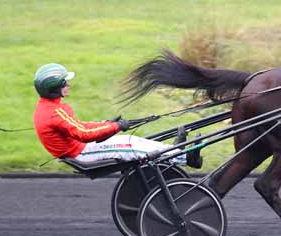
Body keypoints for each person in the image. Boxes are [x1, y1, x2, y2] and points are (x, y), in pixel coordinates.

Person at [32, 63, 185, 164]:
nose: (69, 85)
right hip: (80, 154)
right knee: (129, 145)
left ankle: (176, 152)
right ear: (54, 88)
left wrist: (107, 124)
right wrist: (115, 127)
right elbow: (84, 133)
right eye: (65, 83)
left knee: (130, 139)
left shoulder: (48, 107)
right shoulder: (56, 112)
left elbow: (80, 126)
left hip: (79, 149)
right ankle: (183, 157)